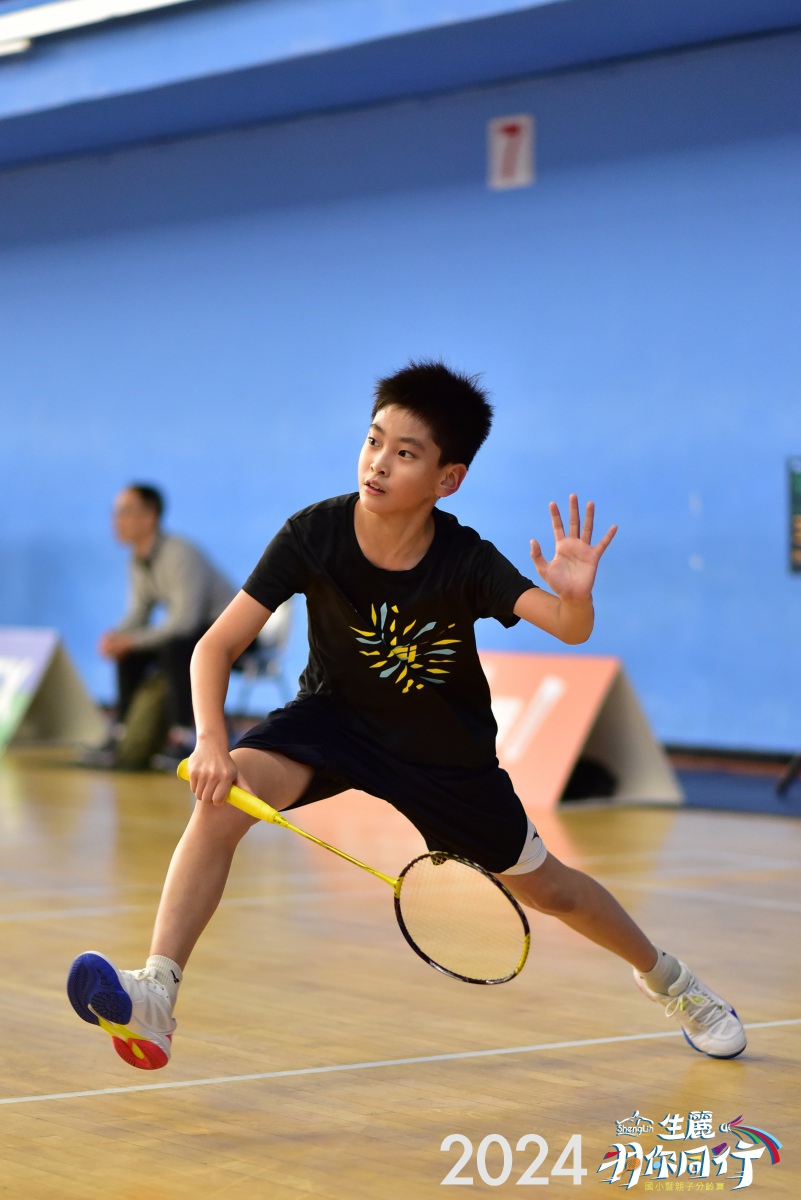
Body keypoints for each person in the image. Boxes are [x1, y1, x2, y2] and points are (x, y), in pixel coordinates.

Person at [67, 362, 746, 1069]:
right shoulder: (313, 533)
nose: (378, 463)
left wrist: (574, 597)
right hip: (332, 722)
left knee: (551, 891)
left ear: (447, 478)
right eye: (373, 441)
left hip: (441, 753)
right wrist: (211, 740)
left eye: (405, 453)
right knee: (224, 796)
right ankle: (157, 993)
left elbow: (568, 628)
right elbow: (215, 645)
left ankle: (672, 982)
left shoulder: (465, 560)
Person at [84, 483, 235, 769]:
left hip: (232, 635)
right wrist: (117, 637)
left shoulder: (180, 554)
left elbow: (185, 621)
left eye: (125, 512)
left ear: (150, 517)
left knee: (177, 648)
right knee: (130, 653)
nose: (117, 520)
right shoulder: (138, 559)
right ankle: (123, 732)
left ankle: (182, 737)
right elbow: (139, 611)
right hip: (194, 634)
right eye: (115, 512)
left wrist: (131, 639)